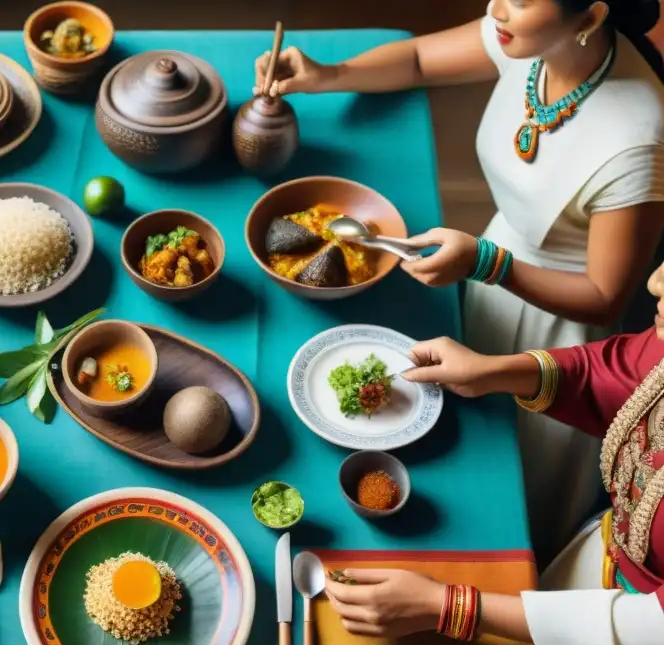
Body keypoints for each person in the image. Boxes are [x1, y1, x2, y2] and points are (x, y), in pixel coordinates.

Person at [255, 1, 664, 566]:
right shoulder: (529, 37)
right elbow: (421, 58)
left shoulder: (638, 136)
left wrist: (488, 264)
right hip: (484, 265)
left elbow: (606, 294)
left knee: (505, 494)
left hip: (559, 329)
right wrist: (329, 75)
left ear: (590, 14)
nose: (498, 6)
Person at [323, 257, 664, 645]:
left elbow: (650, 633)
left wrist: (448, 606)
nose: (656, 278)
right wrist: (490, 371)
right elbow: (624, 371)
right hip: (599, 573)